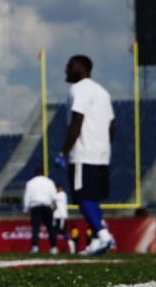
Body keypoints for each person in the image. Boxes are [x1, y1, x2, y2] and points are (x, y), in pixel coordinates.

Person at [56, 54, 115, 255]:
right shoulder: (103, 92)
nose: (66, 69)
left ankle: (103, 235)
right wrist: (103, 145)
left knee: (82, 198)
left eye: (70, 66)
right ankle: (99, 239)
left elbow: (77, 121)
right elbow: (112, 126)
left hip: (83, 153)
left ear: (82, 68)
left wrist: (64, 151)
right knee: (94, 198)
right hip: (102, 154)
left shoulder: (78, 89)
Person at [23, 172, 57, 253]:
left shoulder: (30, 182)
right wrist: (53, 206)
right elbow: (54, 196)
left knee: (36, 228)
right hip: (47, 206)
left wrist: (25, 208)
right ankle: (54, 247)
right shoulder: (49, 181)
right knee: (50, 228)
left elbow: (27, 196)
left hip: (36, 207)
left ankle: (35, 247)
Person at [52, 185, 69, 253]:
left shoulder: (62, 194)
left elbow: (53, 198)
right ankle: (56, 247)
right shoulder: (57, 195)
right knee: (56, 232)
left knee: (62, 231)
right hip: (57, 216)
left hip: (61, 216)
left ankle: (69, 246)